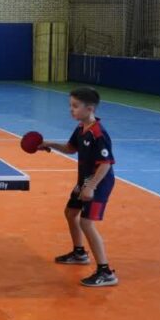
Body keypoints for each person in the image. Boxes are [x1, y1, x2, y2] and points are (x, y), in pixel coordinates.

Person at [38, 87, 118, 288]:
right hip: (84, 181)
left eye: (75, 106)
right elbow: (70, 148)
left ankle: (106, 272)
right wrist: (48, 144)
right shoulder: (81, 128)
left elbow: (106, 164)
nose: (71, 110)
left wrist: (90, 187)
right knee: (70, 212)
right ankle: (79, 253)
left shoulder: (98, 133)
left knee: (86, 223)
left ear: (89, 108)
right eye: (70, 105)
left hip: (99, 183)